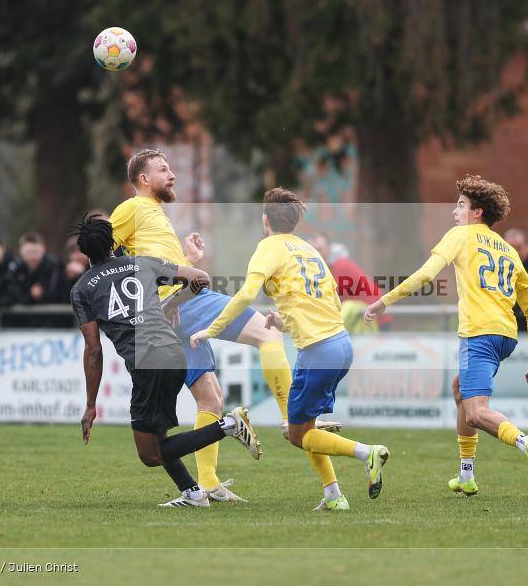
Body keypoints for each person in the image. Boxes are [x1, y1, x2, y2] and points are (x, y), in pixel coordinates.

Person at [107, 149, 340, 503]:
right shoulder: (131, 208)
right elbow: (106, 260)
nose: (172, 174)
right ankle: (290, 418)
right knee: (268, 331)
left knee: (210, 399)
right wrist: (151, 298)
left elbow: (149, 265)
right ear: (143, 178)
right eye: (163, 169)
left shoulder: (154, 212)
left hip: (172, 311)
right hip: (184, 302)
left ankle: (208, 485)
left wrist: (187, 262)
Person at [190, 188, 390, 512]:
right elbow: (330, 303)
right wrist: (283, 323)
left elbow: (244, 296)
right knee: (305, 426)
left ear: (265, 219)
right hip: (341, 344)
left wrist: (210, 329)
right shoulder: (310, 250)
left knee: (297, 433)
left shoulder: (268, 247)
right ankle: (333, 495)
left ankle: (368, 453)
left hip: (318, 351)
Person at [365, 175, 528, 495]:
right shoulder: (509, 250)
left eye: (461, 205)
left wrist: (383, 301)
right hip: (505, 335)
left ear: (477, 213)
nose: (454, 212)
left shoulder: (461, 236)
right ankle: (466, 475)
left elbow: (425, 275)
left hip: (478, 333)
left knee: (477, 412)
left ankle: (526, 443)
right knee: (460, 390)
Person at [71, 214, 261, 508]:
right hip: (174, 352)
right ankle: (193, 493)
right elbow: (200, 279)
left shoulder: (83, 289)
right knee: (157, 433)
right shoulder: (141, 262)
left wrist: (91, 404)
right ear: (113, 242)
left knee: (150, 454)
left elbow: (94, 350)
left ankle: (229, 425)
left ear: (84, 252)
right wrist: (170, 304)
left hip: (147, 362)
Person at [310, 232, 390, 333]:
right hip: (371, 315)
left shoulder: (340, 267)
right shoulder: (334, 266)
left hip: (376, 318)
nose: (316, 253)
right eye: (313, 250)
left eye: (320, 249)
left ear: (329, 247)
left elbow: (332, 299)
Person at [13, 231, 70, 328]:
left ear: (43, 250)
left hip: (54, 323)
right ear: (21, 251)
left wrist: (29, 297)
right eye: (28, 252)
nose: (32, 256)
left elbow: (54, 295)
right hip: (26, 323)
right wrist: (30, 296)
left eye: (35, 252)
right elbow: (14, 295)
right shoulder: (16, 268)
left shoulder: (54, 265)